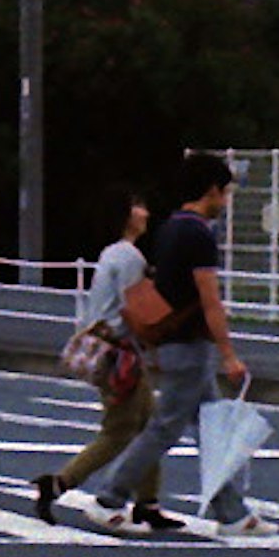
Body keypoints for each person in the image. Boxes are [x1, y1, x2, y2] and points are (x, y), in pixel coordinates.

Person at [71, 151, 272, 538]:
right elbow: (209, 300)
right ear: (212, 191)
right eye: (225, 194)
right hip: (191, 348)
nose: (225, 202)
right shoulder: (198, 234)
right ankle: (108, 498)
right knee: (164, 428)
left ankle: (232, 512)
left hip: (170, 343)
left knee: (209, 425)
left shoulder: (169, 229)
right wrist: (228, 354)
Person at [33, 193, 168, 529]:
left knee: (150, 427)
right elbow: (137, 308)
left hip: (111, 351)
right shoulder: (128, 257)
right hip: (120, 355)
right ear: (125, 215)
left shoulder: (113, 253)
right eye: (139, 206)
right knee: (119, 431)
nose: (146, 212)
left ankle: (148, 503)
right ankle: (59, 483)